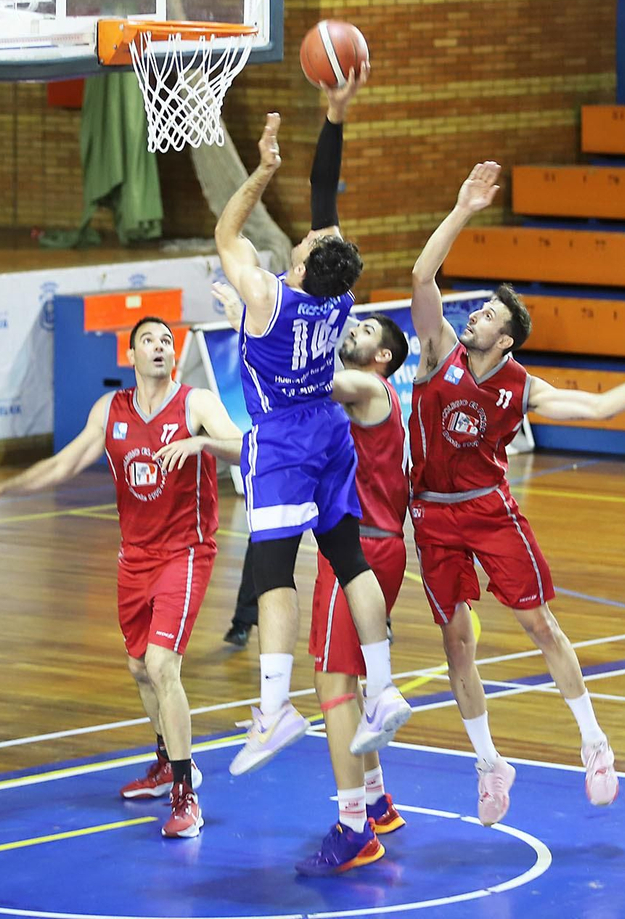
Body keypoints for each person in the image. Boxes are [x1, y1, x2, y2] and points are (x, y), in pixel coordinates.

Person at [410, 161, 625, 826]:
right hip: (430, 516)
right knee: (456, 643)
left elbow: (602, 409)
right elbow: (421, 277)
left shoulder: (523, 386)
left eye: (487, 311)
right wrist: (463, 208)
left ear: (507, 338)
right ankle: (490, 763)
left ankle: (595, 744)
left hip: (490, 511)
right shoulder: (436, 350)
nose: (473, 312)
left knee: (540, 625)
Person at [0, 316, 245, 838]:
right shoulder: (109, 411)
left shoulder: (195, 403)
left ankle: (186, 794)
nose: (159, 347)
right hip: (134, 555)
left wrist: (202, 445)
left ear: (173, 355)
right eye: (148, 341)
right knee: (139, 667)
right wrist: (5, 489)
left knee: (162, 664)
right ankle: (165, 761)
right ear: (129, 356)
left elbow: (241, 445)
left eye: (166, 341)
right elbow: (65, 464)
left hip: (186, 550)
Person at [214, 74, 415, 776]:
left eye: (302, 243)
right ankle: (385, 687)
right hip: (328, 433)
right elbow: (326, 197)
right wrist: (336, 117)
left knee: (271, 570)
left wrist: (264, 169)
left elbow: (227, 231)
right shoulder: (338, 297)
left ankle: (274, 708)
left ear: (302, 260)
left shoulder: (268, 296)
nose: (301, 239)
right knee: (346, 555)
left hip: (282, 440)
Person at [216, 281, 412, 873]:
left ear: (383, 358)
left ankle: (354, 827)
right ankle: (377, 802)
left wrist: (263, 330)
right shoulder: (353, 400)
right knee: (350, 680)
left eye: (368, 332)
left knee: (333, 687)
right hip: (375, 548)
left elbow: (301, 381)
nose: (356, 330)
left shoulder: (363, 385)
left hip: (361, 550)